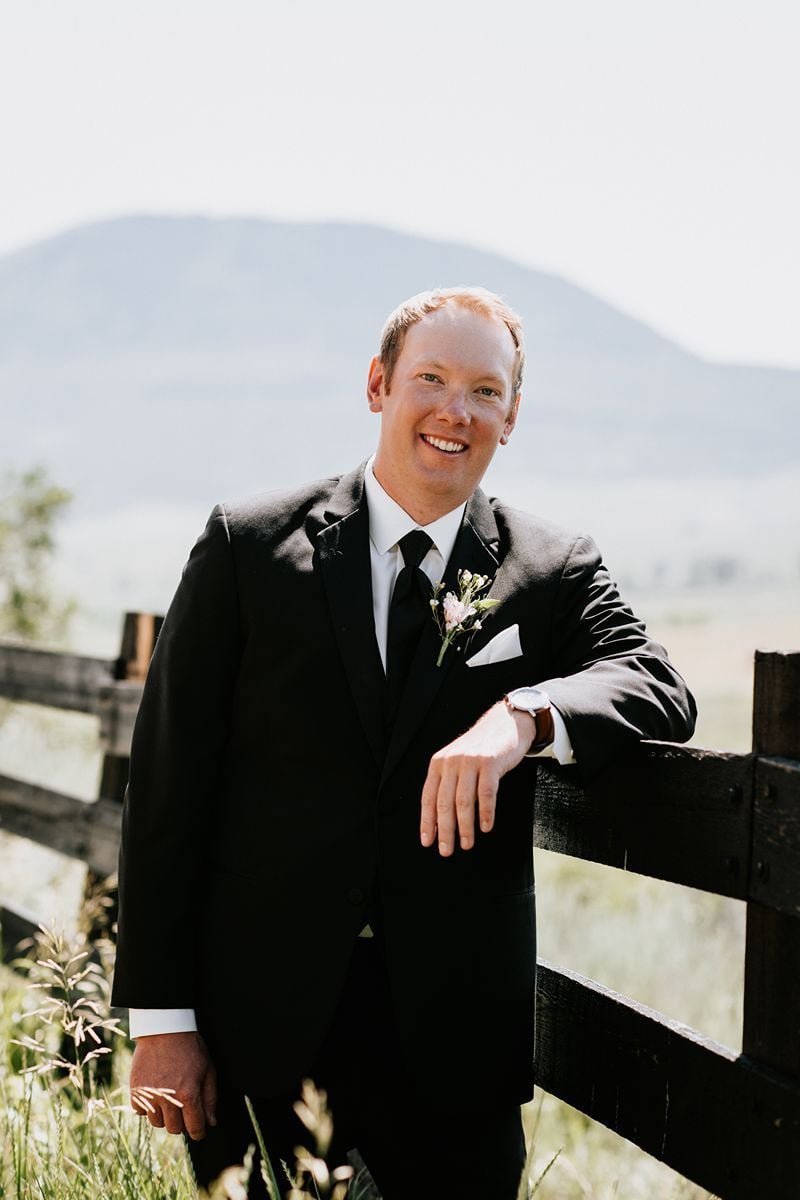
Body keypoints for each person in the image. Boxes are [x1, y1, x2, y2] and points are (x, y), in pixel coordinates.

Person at [111, 287, 696, 1199]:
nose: (455, 411)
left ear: (512, 416)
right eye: (431, 377)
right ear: (378, 385)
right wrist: (163, 1021)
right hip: (261, 1028)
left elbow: (655, 681)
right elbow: (167, 791)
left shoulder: (551, 567)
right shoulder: (248, 546)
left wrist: (522, 717)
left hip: (455, 1037)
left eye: (485, 390)